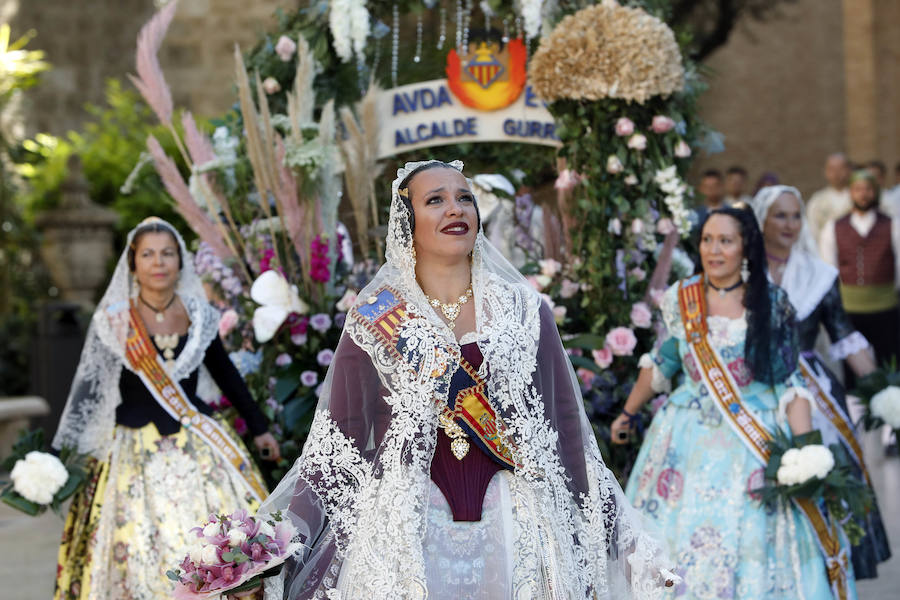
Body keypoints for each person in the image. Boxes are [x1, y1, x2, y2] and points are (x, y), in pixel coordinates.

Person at [252, 160, 677, 599]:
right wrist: (272, 551)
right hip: (406, 536)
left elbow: (567, 434)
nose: (455, 209)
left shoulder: (524, 311)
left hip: (520, 530)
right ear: (407, 222)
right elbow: (336, 450)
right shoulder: (376, 315)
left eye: (464, 198)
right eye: (435, 200)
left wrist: (625, 545)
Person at [611, 206, 857, 599]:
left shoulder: (771, 302)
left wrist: (807, 453)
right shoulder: (682, 298)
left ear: (746, 248)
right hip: (683, 443)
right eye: (707, 240)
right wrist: (628, 411)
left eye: (725, 241)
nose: (714, 250)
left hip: (753, 446)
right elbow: (663, 362)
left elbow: (789, 384)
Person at [52, 217, 280, 600]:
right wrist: (55, 459)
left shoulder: (200, 314)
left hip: (200, 447)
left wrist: (259, 427)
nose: (158, 262)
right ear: (133, 264)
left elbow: (227, 377)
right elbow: (89, 392)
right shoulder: (114, 321)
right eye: (148, 254)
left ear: (180, 261)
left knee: (226, 541)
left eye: (167, 253)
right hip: (132, 452)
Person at [752, 185, 891, 578]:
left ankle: (828, 563)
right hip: (759, 386)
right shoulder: (744, 274)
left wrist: (884, 393)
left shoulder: (819, 275)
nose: (790, 224)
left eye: (796, 216)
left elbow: (845, 336)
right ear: (762, 219)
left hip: (813, 389)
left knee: (823, 469)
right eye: (780, 215)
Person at [819, 170, 900, 386]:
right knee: (852, 372)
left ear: (875, 192)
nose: (863, 194)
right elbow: (829, 270)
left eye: (868, 189)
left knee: (890, 364)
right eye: (858, 189)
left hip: (885, 307)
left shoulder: (892, 225)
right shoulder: (834, 227)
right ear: (851, 193)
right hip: (849, 310)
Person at [807, 153, 852, 249]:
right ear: (825, 172)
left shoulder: (858, 198)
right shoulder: (817, 201)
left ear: (848, 170)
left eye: (840, 169)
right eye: (832, 169)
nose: (836, 173)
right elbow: (812, 232)